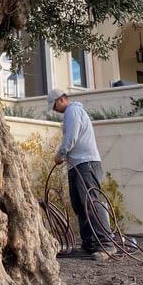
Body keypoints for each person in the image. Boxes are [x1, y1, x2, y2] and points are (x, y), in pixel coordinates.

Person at [47, 88, 115, 261]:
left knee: (91, 202)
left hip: (86, 163)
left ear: (61, 99)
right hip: (77, 164)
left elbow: (71, 137)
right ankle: (89, 244)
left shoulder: (73, 111)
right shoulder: (71, 113)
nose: (54, 109)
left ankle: (106, 245)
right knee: (79, 204)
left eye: (54, 105)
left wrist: (60, 154)